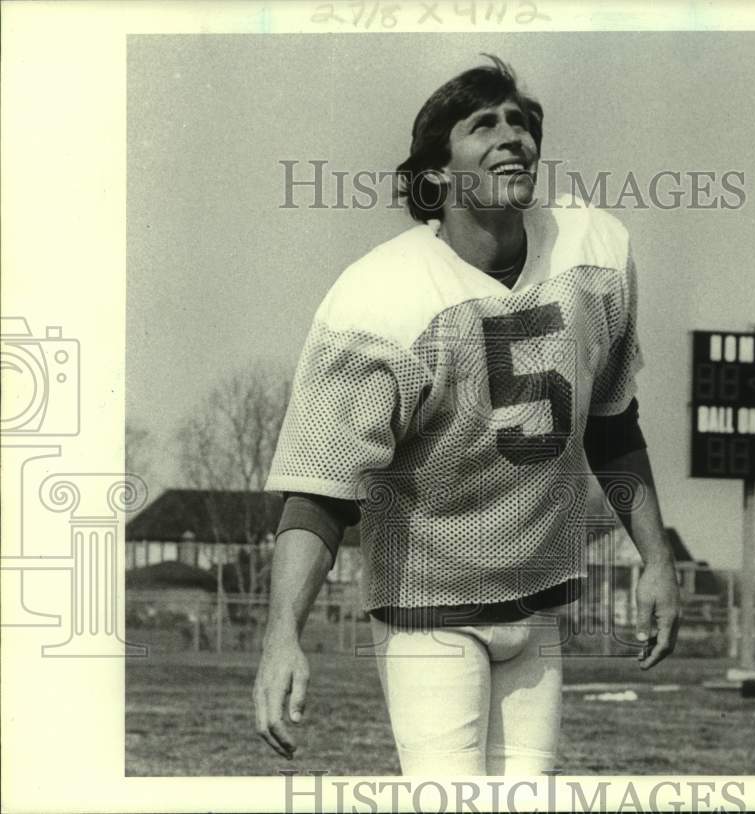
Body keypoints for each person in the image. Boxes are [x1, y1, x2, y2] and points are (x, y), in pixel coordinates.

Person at [253, 55, 681, 776]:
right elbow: (321, 493)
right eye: (483, 124)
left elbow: (612, 422)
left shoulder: (595, 252)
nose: (511, 135)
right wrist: (281, 635)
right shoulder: (380, 299)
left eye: (520, 121)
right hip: (431, 610)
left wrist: (658, 557)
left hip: (538, 600)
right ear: (435, 174)